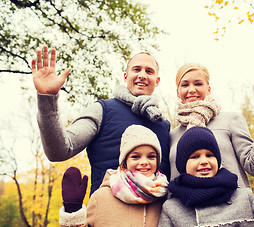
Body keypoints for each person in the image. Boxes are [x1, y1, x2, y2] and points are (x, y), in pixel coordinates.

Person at [31, 46, 170, 194]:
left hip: (154, 215)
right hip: (107, 211)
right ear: (125, 76)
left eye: (149, 71)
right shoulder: (102, 110)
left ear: (157, 81)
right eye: (136, 69)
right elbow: (59, 150)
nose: (142, 75)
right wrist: (47, 99)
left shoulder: (163, 125)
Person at [156, 126, 254, 227]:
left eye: (210, 155)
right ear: (183, 165)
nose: (204, 161)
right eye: (195, 157)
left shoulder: (243, 198)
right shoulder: (172, 208)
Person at [169, 63, 254, 187]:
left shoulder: (230, 120)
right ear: (178, 92)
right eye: (185, 85)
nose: (192, 89)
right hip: (188, 206)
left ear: (208, 89)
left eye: (198, 84)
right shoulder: (172, 135)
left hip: (233, 204)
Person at [59, 125, 168, 227]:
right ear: (124, 161)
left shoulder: (164, 196)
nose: (144, 162)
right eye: (135, 156)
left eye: (151, 156)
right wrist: (73, 210)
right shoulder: (100, 198)